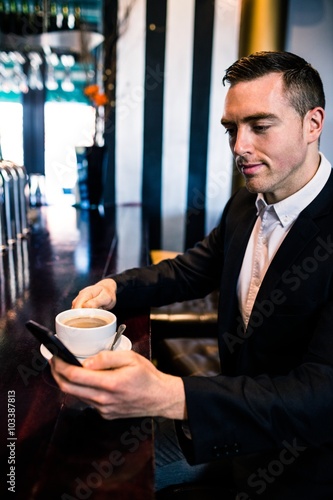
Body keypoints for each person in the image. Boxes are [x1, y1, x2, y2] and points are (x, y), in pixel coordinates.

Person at [50, 51, 333, 499]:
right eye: (231, 129)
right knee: (81, 466)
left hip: (302, 467)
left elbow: (321, 396)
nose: (240, 146)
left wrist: (171, 395)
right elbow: (191, 269)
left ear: (313, 123)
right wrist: (113, 287)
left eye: (260, 126)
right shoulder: (247, 203)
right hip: (225, 428)